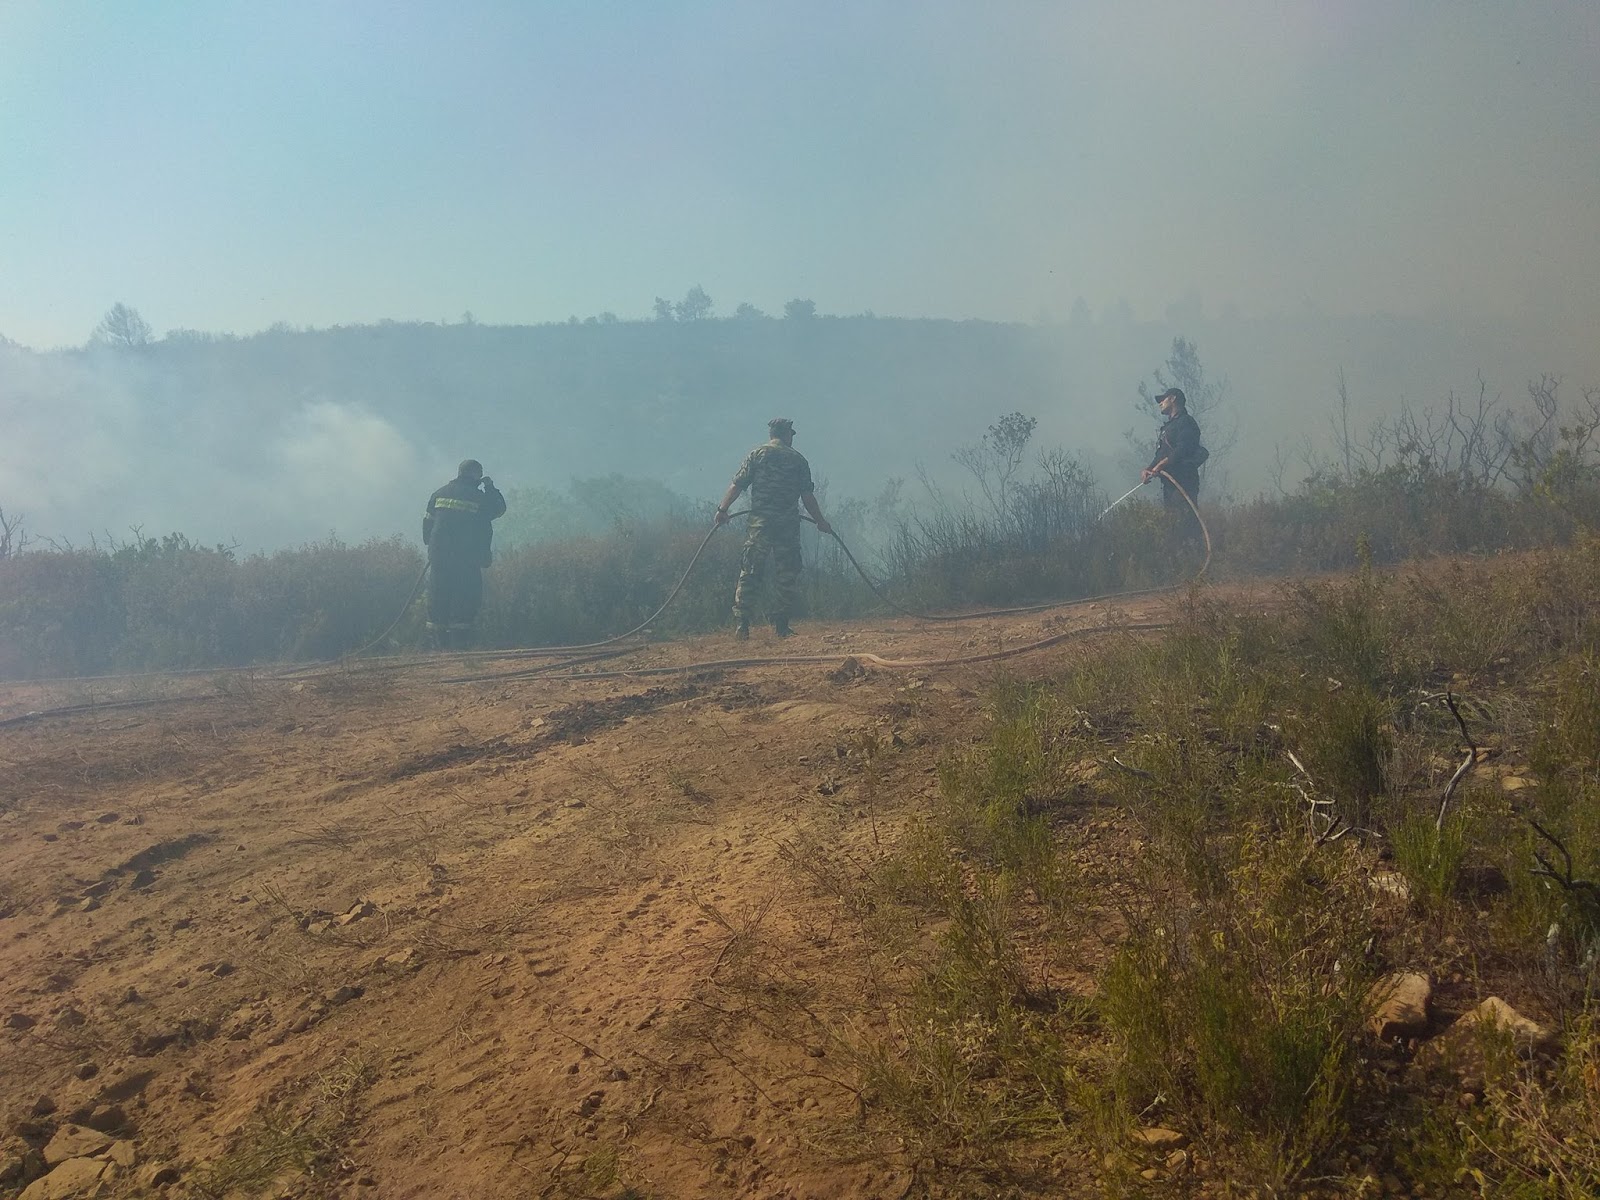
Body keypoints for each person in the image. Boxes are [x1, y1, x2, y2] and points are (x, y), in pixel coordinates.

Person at [713, 417, 832, 639]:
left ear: (771, 434)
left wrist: (722, 509)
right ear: (787, 434)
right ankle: (781, 625)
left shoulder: (756, 455)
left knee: (750, 571)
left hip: (760, 525)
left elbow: (737, 485)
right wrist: (821, 521)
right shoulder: (798, 460)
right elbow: (807, 497)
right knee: (787, 573)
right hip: (786, 526)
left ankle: (742, 625)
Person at [422, 459, 506, 649]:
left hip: (439, 557)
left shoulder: (439, 493)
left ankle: (438, 646)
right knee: (466, 596)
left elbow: (427, 524)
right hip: (466, 557)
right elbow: (499, 509)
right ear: (476, 474)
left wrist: (433, 547)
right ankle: (459, 646)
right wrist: (490, 487)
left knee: (438, 596)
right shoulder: (479, 497)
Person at [1141, 387, 1205, 544]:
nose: (1160, 403)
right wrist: (1149, 469)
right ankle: (1179, 558)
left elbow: (1183, 448)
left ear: (1173, 398)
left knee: (1186, 521)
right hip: (1170, 485)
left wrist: (1163, 464)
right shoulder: (1168, 427)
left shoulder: (1186, 423)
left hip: (1184, 482)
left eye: (1163, 399)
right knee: (1172, 524)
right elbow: (1161, 454)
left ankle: (1195, 554)